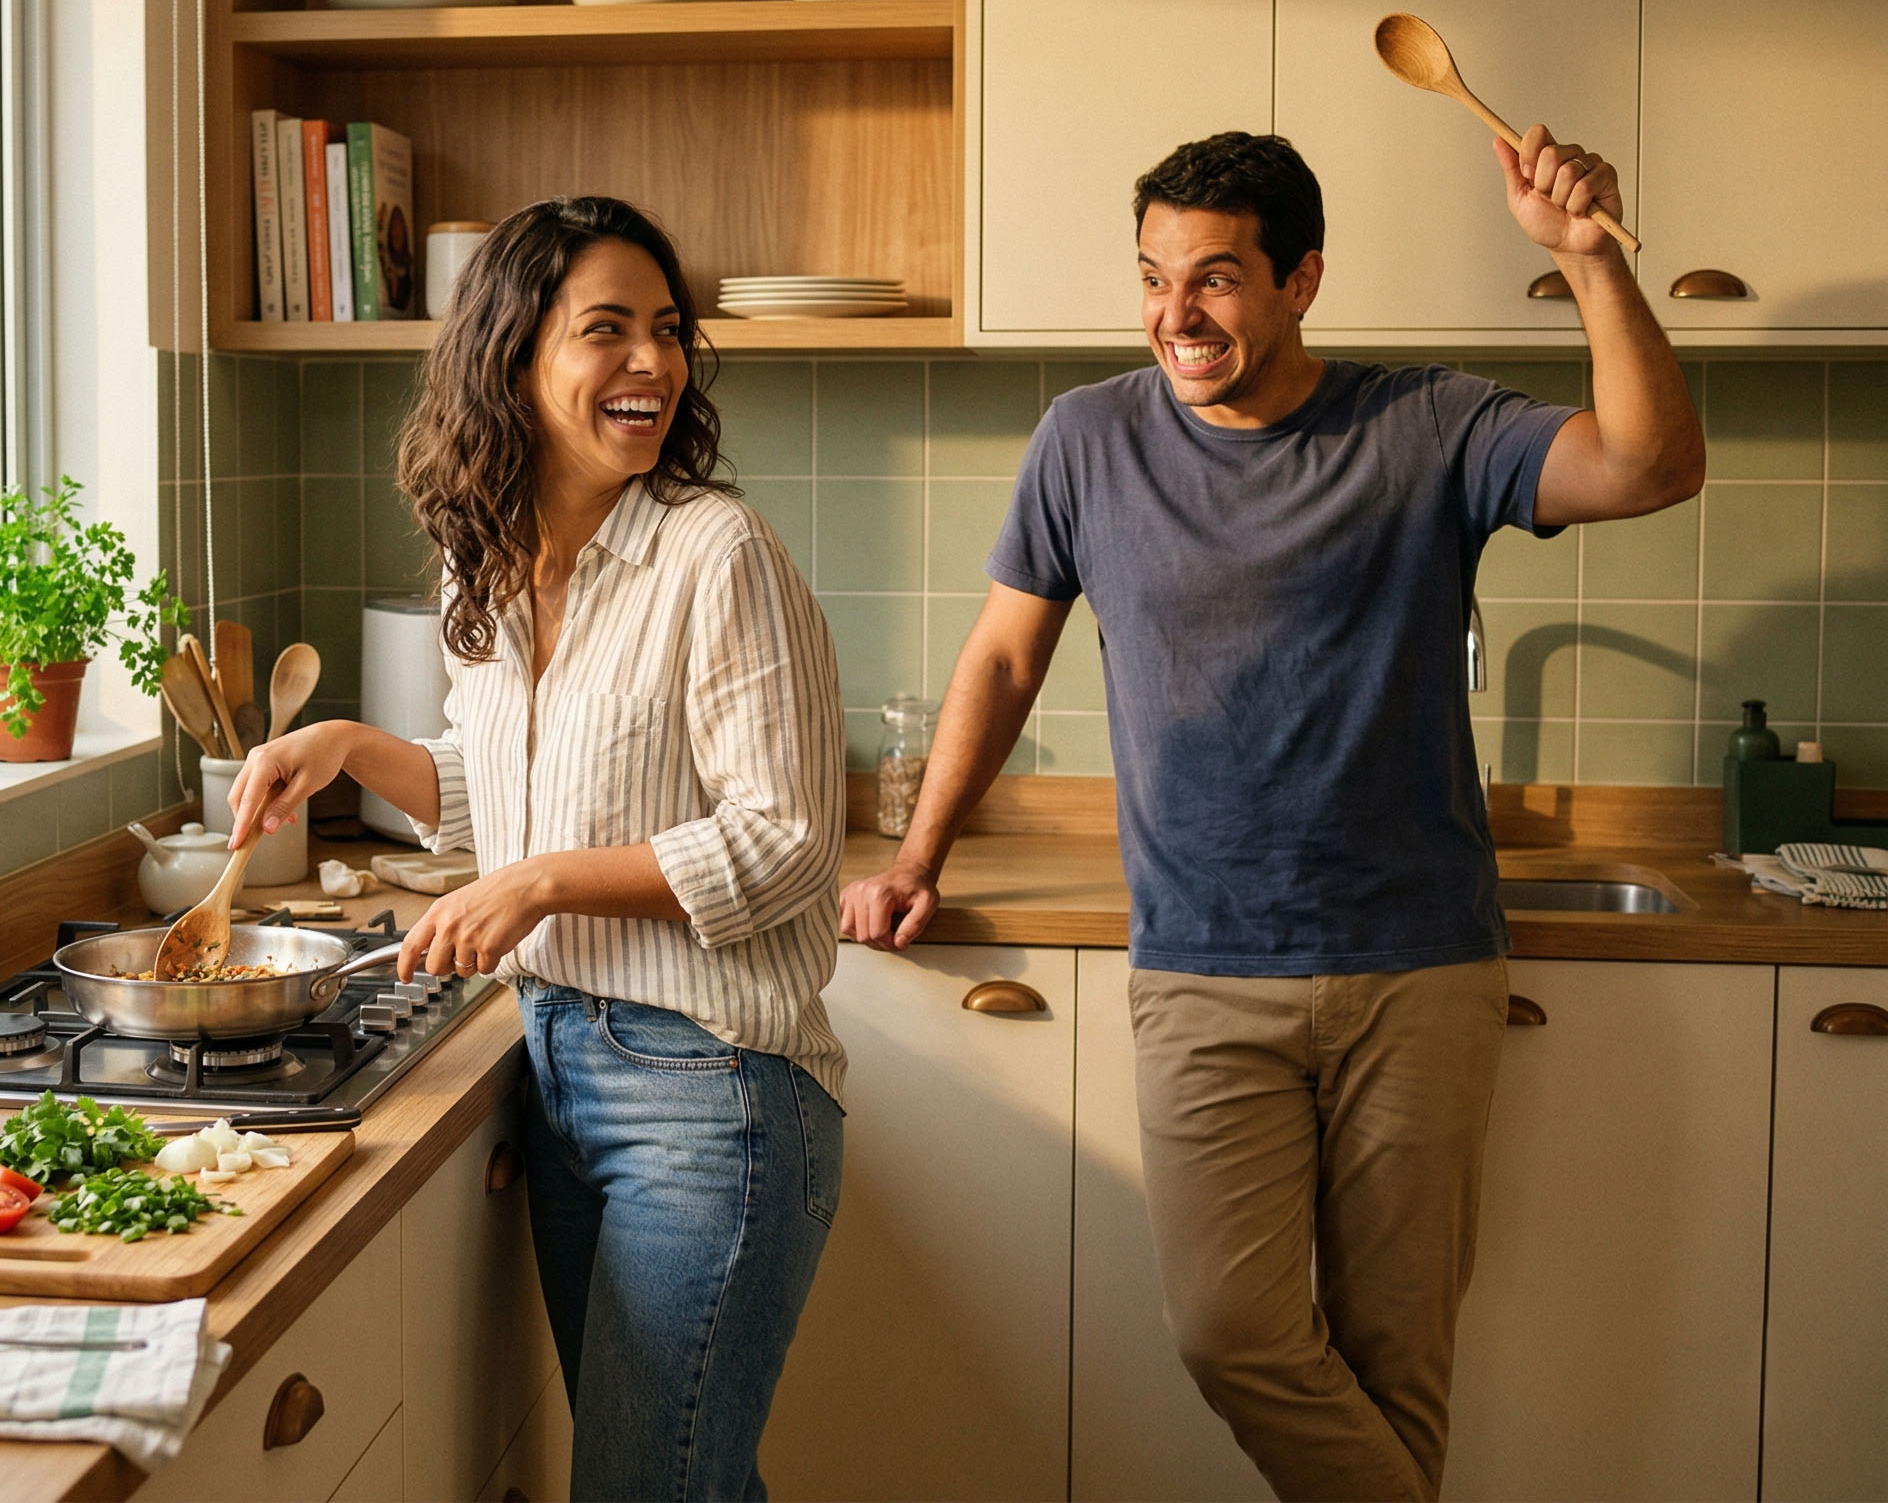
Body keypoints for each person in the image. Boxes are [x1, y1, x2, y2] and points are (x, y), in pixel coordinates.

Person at [840, 127, 1703, 1501]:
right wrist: (914, 854)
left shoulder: (1428, 426)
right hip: (1204, 965)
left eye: (1218, 279)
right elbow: (1005, 658)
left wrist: (1591, 260)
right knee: (1233, 1334)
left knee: (1394, 1353)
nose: (1177, 316)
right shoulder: (1090, 439)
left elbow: (1649, 468)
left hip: (1417, 962)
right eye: (1153, 277)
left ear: (1302, 281)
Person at [228, 195, 847, 1502]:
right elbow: (507, 789)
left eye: (667, 331)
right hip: (554, 1057)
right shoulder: (483, 564)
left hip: (708, 1085)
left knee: (652, 1484)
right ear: (511, 356)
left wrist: (539, 884)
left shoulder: (711, 550)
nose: (654, 364)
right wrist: (346, 741)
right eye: (607, 329)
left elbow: (786, 842)